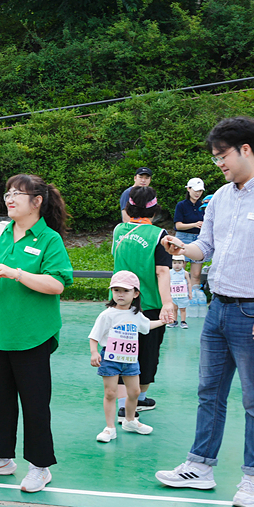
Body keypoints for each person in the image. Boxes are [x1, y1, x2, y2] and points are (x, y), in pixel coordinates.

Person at [157, 116, 254, 507]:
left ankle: (253, 478)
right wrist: (181, 248)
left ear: (245, 150)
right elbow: (205, 246)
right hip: (218, 309)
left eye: (222, 156)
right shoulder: (221, 197)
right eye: (214, 158)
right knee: (209, 393)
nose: (218, 164)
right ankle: (199, 467)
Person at [0, 174, 74, 493]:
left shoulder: (49, 239)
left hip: (31, 334)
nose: (9, 199)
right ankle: (0, 457)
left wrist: (16, 273)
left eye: (18, 194)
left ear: (37, 202)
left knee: (35, 403)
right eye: (8, 193)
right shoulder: (0, 231)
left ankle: (40, 466)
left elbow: (57, 283)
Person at [111, 185, 175, 418]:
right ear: (155, 209)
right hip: (149, 306)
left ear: (128, 206)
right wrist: (167, 303)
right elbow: (162, 271)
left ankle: (122, 402)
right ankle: (137, 399)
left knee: (122, 350)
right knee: (146, 354)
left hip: (119, 303)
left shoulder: (119, 231)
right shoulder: (159, 236)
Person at [89, 271, 167, 443]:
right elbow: (94, 335)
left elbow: (146, 326)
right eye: (116, 290)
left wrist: (163, 321)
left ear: (136, 293)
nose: (120, 294)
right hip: (110, 360)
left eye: (125, 291)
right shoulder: (107, 314)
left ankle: (130, 421)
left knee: (135, 392)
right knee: (110, 393)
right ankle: (110, 428)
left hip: (130, 360)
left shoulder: (135, 314)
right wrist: (94, 352)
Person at [173, 177, 207, 320]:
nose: (197, 193)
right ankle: (177, 301)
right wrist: (194, 224)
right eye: (195, 190)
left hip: (199, 239)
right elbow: (178, 225)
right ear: (188, 189)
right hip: (183, 238)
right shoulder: (181, 205)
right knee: (179, 271)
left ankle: (194, 301)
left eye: (200, 191)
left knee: (196, 274)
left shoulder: (204, 205)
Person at [168, 256, 191, 328]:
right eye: (174, 263)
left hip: (183, 295)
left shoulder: (185, 273)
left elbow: (189, 283)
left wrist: (190, 293)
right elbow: (167, 283)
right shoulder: (169, 272)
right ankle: (174, 321)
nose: (177, 265)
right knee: (174, 308)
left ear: (183, 263)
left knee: (183, 308)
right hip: (173, 295)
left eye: (179, 263)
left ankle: (183, 321)